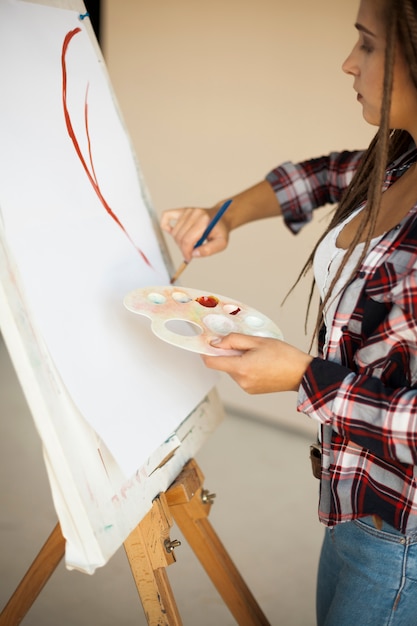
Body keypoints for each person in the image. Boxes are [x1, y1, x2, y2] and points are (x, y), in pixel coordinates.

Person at [160, 0, 417, 624]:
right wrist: (224, 215)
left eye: (367, 45)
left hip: (401, 535)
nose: (348, 64)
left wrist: (302, 375)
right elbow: (325, 176)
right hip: (356, 503)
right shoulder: (401, 157)